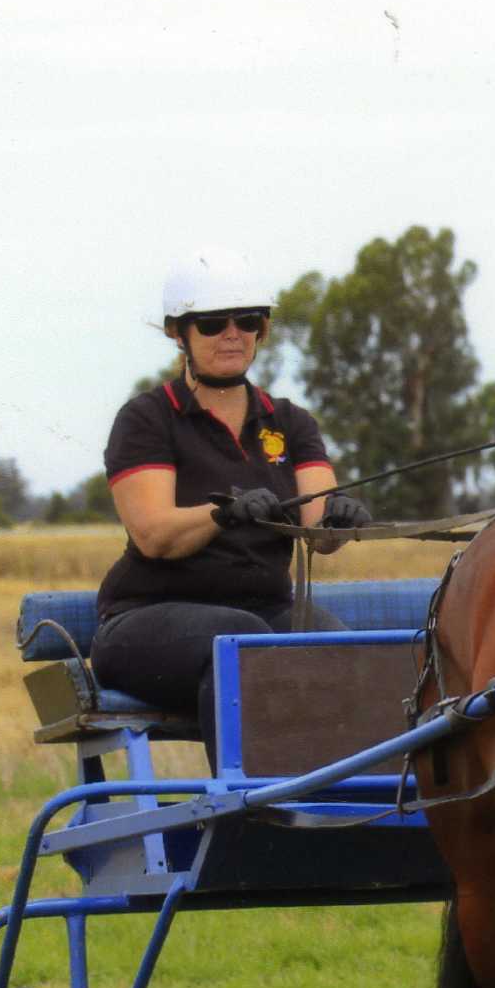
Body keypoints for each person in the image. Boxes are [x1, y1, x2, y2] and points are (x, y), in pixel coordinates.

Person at [89, 246, 370, 750]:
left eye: (247, 320)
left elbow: (317, 526)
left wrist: (337, 519)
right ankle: (254, 816)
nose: (233, 335)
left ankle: (349, 809)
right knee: (237, 640)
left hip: (265, 613)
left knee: (341, 650)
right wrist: (225, 512)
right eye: (214, 323)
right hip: (148, 619)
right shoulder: (149, 419)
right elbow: (154, 537)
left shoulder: (290, 422)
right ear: (179, 332)